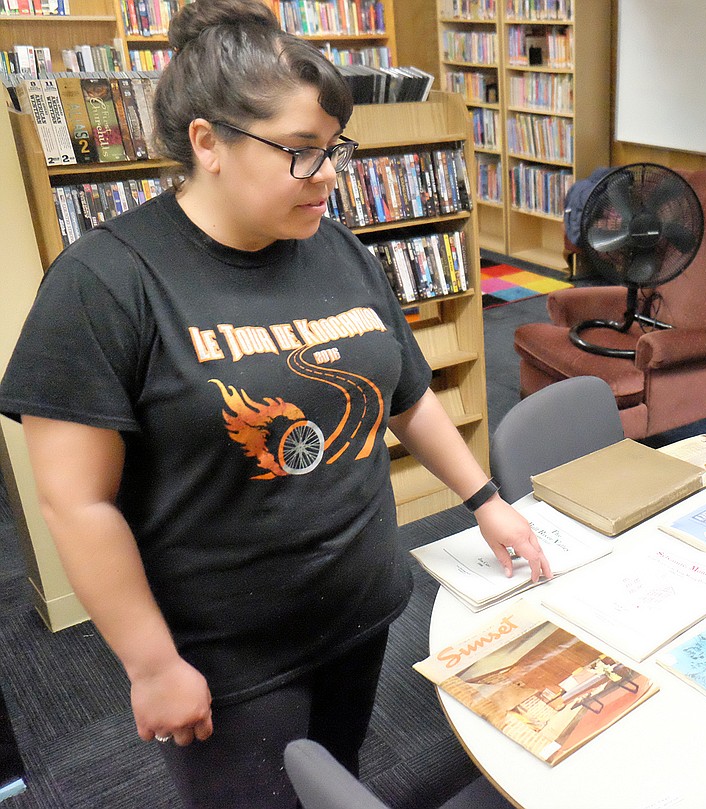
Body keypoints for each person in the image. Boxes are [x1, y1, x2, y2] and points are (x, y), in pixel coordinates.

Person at [0, 0, 551, 805]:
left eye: (333, 150)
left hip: (360, 611)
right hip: (228, 658)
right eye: (300, 151)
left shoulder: (332, 247)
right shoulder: (106, 281)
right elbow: (76, 501)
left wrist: (484, 499)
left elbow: (405, 395)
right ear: (207, 143)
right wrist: (152, 666)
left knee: (338, 782)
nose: (328, 174)